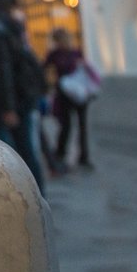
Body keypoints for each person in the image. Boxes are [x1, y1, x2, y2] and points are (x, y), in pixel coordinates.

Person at [0, 0, 46, 195]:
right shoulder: (12, 27)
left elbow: (2, 70)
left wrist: (8, 107)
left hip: (5, 99)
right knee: (22, 146)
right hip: (21, 96)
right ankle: (33, 192)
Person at [43, 27, 100, 171]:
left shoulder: (71, 53)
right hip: (65, 94)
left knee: (80, 126)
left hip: (78, 93)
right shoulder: (60, 53)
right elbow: (44, 69)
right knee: (67, 126)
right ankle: (61, 154)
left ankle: (82, 156)